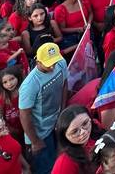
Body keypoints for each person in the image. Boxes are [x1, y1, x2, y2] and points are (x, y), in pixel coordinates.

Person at [19, 41, 69, 174]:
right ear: (38, 62)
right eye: (48, 64)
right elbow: (24, 115)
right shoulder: (29, 85)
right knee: (45, 168)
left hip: (57, 122)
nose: (52, 67)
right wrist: (35, 141)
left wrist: (63, 110)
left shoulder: (60, 63)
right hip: (40, 133)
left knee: (60, 160)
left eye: (54, 62)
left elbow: (64, 83)